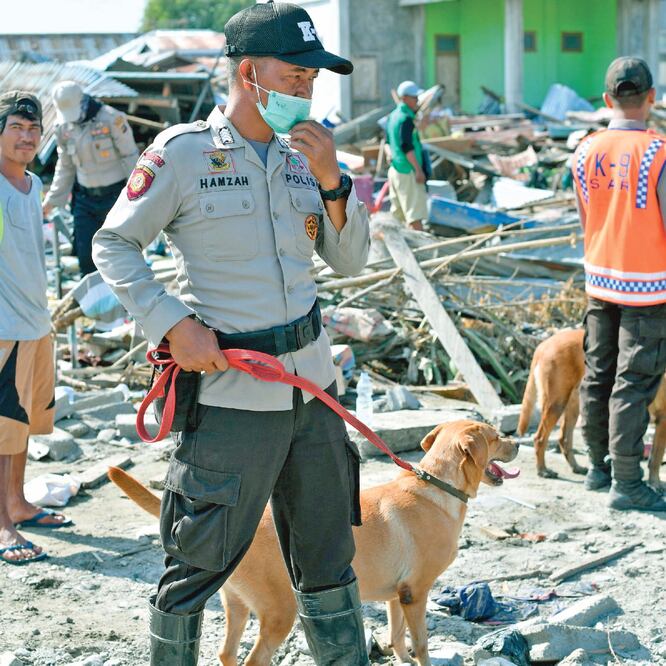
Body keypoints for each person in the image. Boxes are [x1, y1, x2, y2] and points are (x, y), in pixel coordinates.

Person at [92, 2, 371, 663]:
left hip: (314, 391)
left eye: (314, 77)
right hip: (231, 399)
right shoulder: (183, 155)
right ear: (250, 73)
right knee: (197, 565)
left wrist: (335, 184)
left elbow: (351, 260)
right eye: (296, 74)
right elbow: (114, 244)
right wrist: (173, 324)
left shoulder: (309, 158)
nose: (308, 87)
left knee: (330, 563)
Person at [573, 56, 666, 511]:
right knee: (634, 381)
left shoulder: (584, 149)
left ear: (608, 99)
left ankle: (597, 468)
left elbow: (586, 216)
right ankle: (628, 484)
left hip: (600, 280)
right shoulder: (659, 151)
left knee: (598, 375)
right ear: (652, 98)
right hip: (648, 287)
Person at [0, 91, 71, 567]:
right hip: (3, 327)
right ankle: (1, 524)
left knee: (24, 422)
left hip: (34, 322)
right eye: (16, 128)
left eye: (33, 129)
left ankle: (19, 503)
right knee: (1, 425)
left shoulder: (32, 185)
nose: (26, 137)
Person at [42, 81, 139, 276]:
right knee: (86, 256)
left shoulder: (111, 119)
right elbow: (65, 166)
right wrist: (51, 201)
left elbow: (131, 157)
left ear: (82, 101)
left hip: (115, 197)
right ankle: (93, 303)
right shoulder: (63, 128)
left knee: (119, 255)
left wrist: (139, 195)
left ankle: (122, 304)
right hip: (84, 199)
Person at [386, 80, 429, 231]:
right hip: (407, 171)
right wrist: (418, 170)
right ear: (404, 98)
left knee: (398, 217)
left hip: (395, 170)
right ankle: (418, 252)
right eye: (414, 98)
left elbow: (386, 142)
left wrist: (389, 155)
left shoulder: (393, 116)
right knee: (414, 217)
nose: (417, 101)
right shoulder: (405, 119)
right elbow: (407, 147)